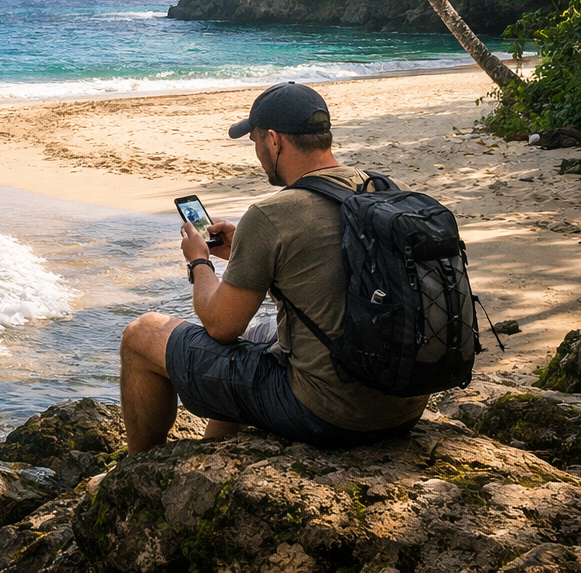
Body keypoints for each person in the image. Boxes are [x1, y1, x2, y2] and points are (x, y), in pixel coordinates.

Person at [117, 82, 428, 453]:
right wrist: (245, 254)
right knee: (255, 334)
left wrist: (199, 261)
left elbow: (219, 326)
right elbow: (332, 272)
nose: (258, 153)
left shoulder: (272, 215)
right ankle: (209, 455)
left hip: (328, 413)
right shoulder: (379, 191)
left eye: (255, 142)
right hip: (404, 403)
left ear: (275, 141)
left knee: (141, 335)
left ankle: (138, 466)